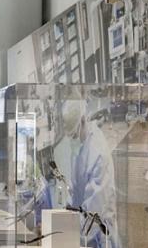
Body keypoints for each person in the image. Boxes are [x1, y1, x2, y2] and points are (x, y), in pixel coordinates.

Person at [63, 105, 120, 248]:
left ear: (83, 120)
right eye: (71, 136)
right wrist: (65, 216)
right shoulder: (79, 146)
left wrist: (73, 233)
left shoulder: (97, 152)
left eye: (74, 135)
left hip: (99, 233)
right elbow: (74, 189)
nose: (73, 139)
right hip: (84, 228)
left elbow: (95, 207)